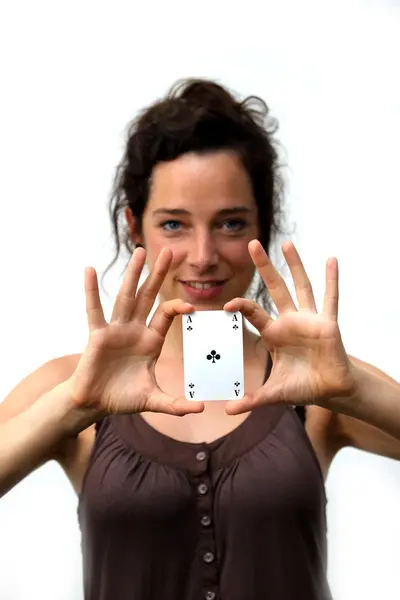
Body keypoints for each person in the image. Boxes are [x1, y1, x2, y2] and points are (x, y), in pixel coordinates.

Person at [1, 78, 400, 600]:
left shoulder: (318, 387)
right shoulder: (71, 386)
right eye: (174, 224)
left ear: (264, 225)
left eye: (231, 224)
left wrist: (355, 394)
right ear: (134, 228)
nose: (204, 254)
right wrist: (72, 405)